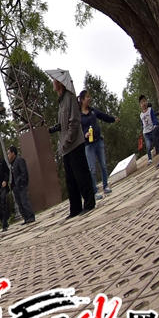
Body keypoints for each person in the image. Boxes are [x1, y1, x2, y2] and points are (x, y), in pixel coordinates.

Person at [46, 68, 95, 218]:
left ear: (60, 82)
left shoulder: (70, 97)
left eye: (54, 80)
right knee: (70, 180)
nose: (52, 83)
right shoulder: (61, 102)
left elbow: (74, 122)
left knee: (81, 175)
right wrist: (55, 128)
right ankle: (75, 208)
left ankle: (89, 203)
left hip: (74, 144)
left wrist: (67, 140)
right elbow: (64, 122)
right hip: (65, 147)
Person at [79, 89, 119, 196]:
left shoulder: (93, 111)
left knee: (103, 165)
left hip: (98, 141)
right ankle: (95, 191)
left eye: (89, 96)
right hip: (89, 145)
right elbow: (77, 131)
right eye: (87, 97)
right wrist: (85, 135)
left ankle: (106, 186)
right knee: (92, 169)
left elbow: (103, 116)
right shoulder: (79, 116)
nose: (89, 99)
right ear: (82, 100)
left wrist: (113, 119)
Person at [7, 146, 35, 224]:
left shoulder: (19, 160)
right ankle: (26, 218)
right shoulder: (12, 164)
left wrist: (22, 183)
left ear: (13, 153)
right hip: (15, 186)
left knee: (24, 201)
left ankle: (31, 216)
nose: (8, 155)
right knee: (19, 203)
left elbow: (24, 172)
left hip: (20, 185)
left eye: (9, 153)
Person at [139, 95, 159, 166]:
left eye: (144, 101)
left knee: (157, 141)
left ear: (146, 101)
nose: (143, 103)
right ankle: (150, 159)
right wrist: (143, 131)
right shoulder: (141, 115)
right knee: (148, 146)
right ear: (140, 105)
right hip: (146, 133)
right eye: (142, 102)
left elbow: (154, 117)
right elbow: (142, 124)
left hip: (152, 130)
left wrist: (155, 125)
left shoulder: (150, 110)